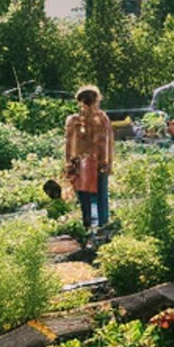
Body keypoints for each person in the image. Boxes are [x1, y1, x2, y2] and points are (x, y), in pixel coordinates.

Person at [64, 85, 114, 239]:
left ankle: (87, 229)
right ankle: (103, 229)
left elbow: (68, 144)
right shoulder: (102, 118)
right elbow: (109, 143)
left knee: (84, 198)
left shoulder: (72, 120)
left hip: (80, 163)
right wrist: (109, 162)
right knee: (101, 197)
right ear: (97, 99)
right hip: (99, 163)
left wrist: (68, 163)